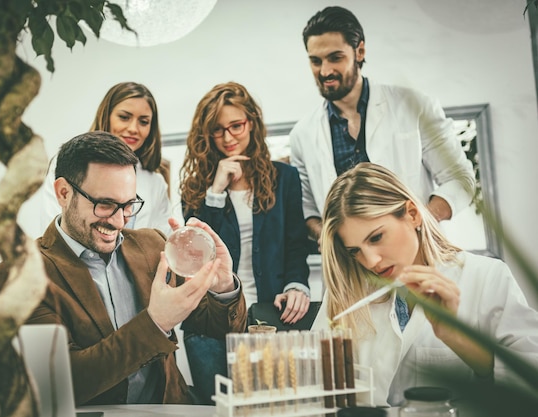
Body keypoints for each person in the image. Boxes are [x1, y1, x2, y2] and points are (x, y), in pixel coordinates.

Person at [0, 131, 247, 406]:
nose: (119, 220)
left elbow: (210, 327)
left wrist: (223, 287)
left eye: (128, 205)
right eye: (105, 204)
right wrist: (155, 323)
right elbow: (60, 381)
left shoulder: (153, 245)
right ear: (64, 193)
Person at [311, 162, 538, 406]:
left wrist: (456, 338)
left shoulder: (487, 278)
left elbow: (528, 386)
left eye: (376, 237)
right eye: (355, 250)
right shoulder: (347, 290)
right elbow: (313, 381)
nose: (370, 261)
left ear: (412, 214)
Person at [289, 6, 476, 247]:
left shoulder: (415, 106)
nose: (325, 71)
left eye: (335, 58)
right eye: (316, 61)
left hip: (417, 255)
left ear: (360, 51)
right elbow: (308, 210)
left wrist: (419, 223)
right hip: (350, 269)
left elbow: (460, 179)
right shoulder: (302, 134)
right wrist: (328, 238)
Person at [179, 81, 312, 403]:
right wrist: (215, 192)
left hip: (271, 315)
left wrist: (297, 285)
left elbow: (296, 244)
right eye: (217, 130)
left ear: (251, 122)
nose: (227, 138)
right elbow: (197, 256)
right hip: (209, 323)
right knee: (217, 410)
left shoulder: (285, 178)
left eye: (236, 126)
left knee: (276, 406)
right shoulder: (196, 187)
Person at [39, 82, 171, 236]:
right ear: (106, 116)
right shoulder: (71, 163)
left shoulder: (155, 182)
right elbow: (54, 231)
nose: (133, 129)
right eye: (124, 117)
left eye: (143, 122)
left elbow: (163, 239)